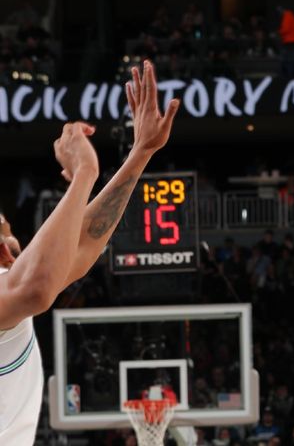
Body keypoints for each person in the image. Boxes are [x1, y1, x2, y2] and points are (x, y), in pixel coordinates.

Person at [0, 60, 179, 444]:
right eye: (4, 237)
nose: (13, 245)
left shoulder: (11, 291)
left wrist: (140, 153)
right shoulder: (16, 290)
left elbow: (79, 244)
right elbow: (35, 287)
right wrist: (83, 172)